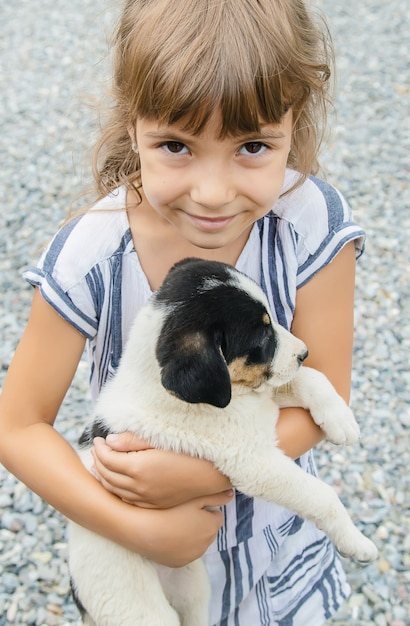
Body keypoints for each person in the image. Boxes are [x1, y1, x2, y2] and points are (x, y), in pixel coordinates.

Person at [0, 0, 366, 623]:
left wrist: (201, 473)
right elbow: (17, 427)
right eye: (176, 145)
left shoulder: (312, 226)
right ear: (133, 120)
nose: (213, 193)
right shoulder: (90, 254)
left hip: (276, 561)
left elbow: (327, 394)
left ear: (293, 120)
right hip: (138, 571)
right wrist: (135, 530)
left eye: (252, 145)